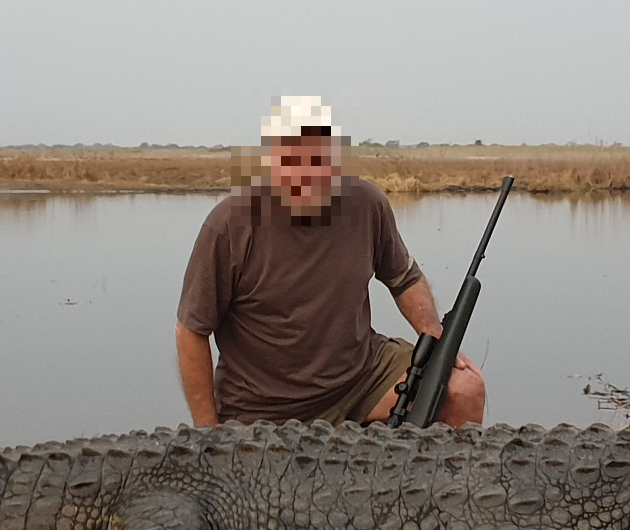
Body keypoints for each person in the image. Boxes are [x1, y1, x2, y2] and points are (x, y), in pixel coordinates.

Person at [175, 97, 486, 427]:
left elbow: (403, 278)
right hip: (262, 405)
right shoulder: (228, 225)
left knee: (464, 388)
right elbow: (191, 330)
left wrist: (435, 336)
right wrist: (207, 434)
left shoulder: (367, 203)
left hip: (360, 377)